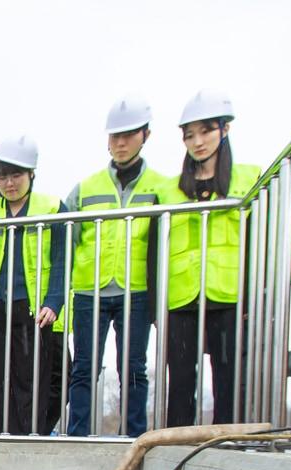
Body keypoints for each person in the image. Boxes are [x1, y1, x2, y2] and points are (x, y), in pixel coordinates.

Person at [65, 98, 173, 437]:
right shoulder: (86, 188)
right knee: (84, 368)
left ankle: (133, 436)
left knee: (134, 369)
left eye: (128, 136)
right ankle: (78, 435)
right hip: (89, 290)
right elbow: (66, 239)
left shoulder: (162, 187)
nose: (121, 143)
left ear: (145, 136)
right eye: (115, 137)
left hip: (136, 290)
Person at [161, 90, 261, 426]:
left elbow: (258, 239)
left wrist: (253, 294)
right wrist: (158, 304)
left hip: (229, 293)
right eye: (190, 135)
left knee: (228, 375)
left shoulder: (249, 178)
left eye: (206, 132)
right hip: (182, 295)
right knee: (180, 380)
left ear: (224, 129)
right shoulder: (170, 189)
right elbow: (155, 251)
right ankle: (177, 442)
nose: (198, 142)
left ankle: (225, 439)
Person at [0, 136, 68, 435]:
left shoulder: (52, 207)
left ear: (31, 173)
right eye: (2, 176)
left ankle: (27, 439)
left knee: (29, 380)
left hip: (33, 308)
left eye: (16, 175)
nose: (9, 183)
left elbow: (62, 259)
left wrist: (54, 301)